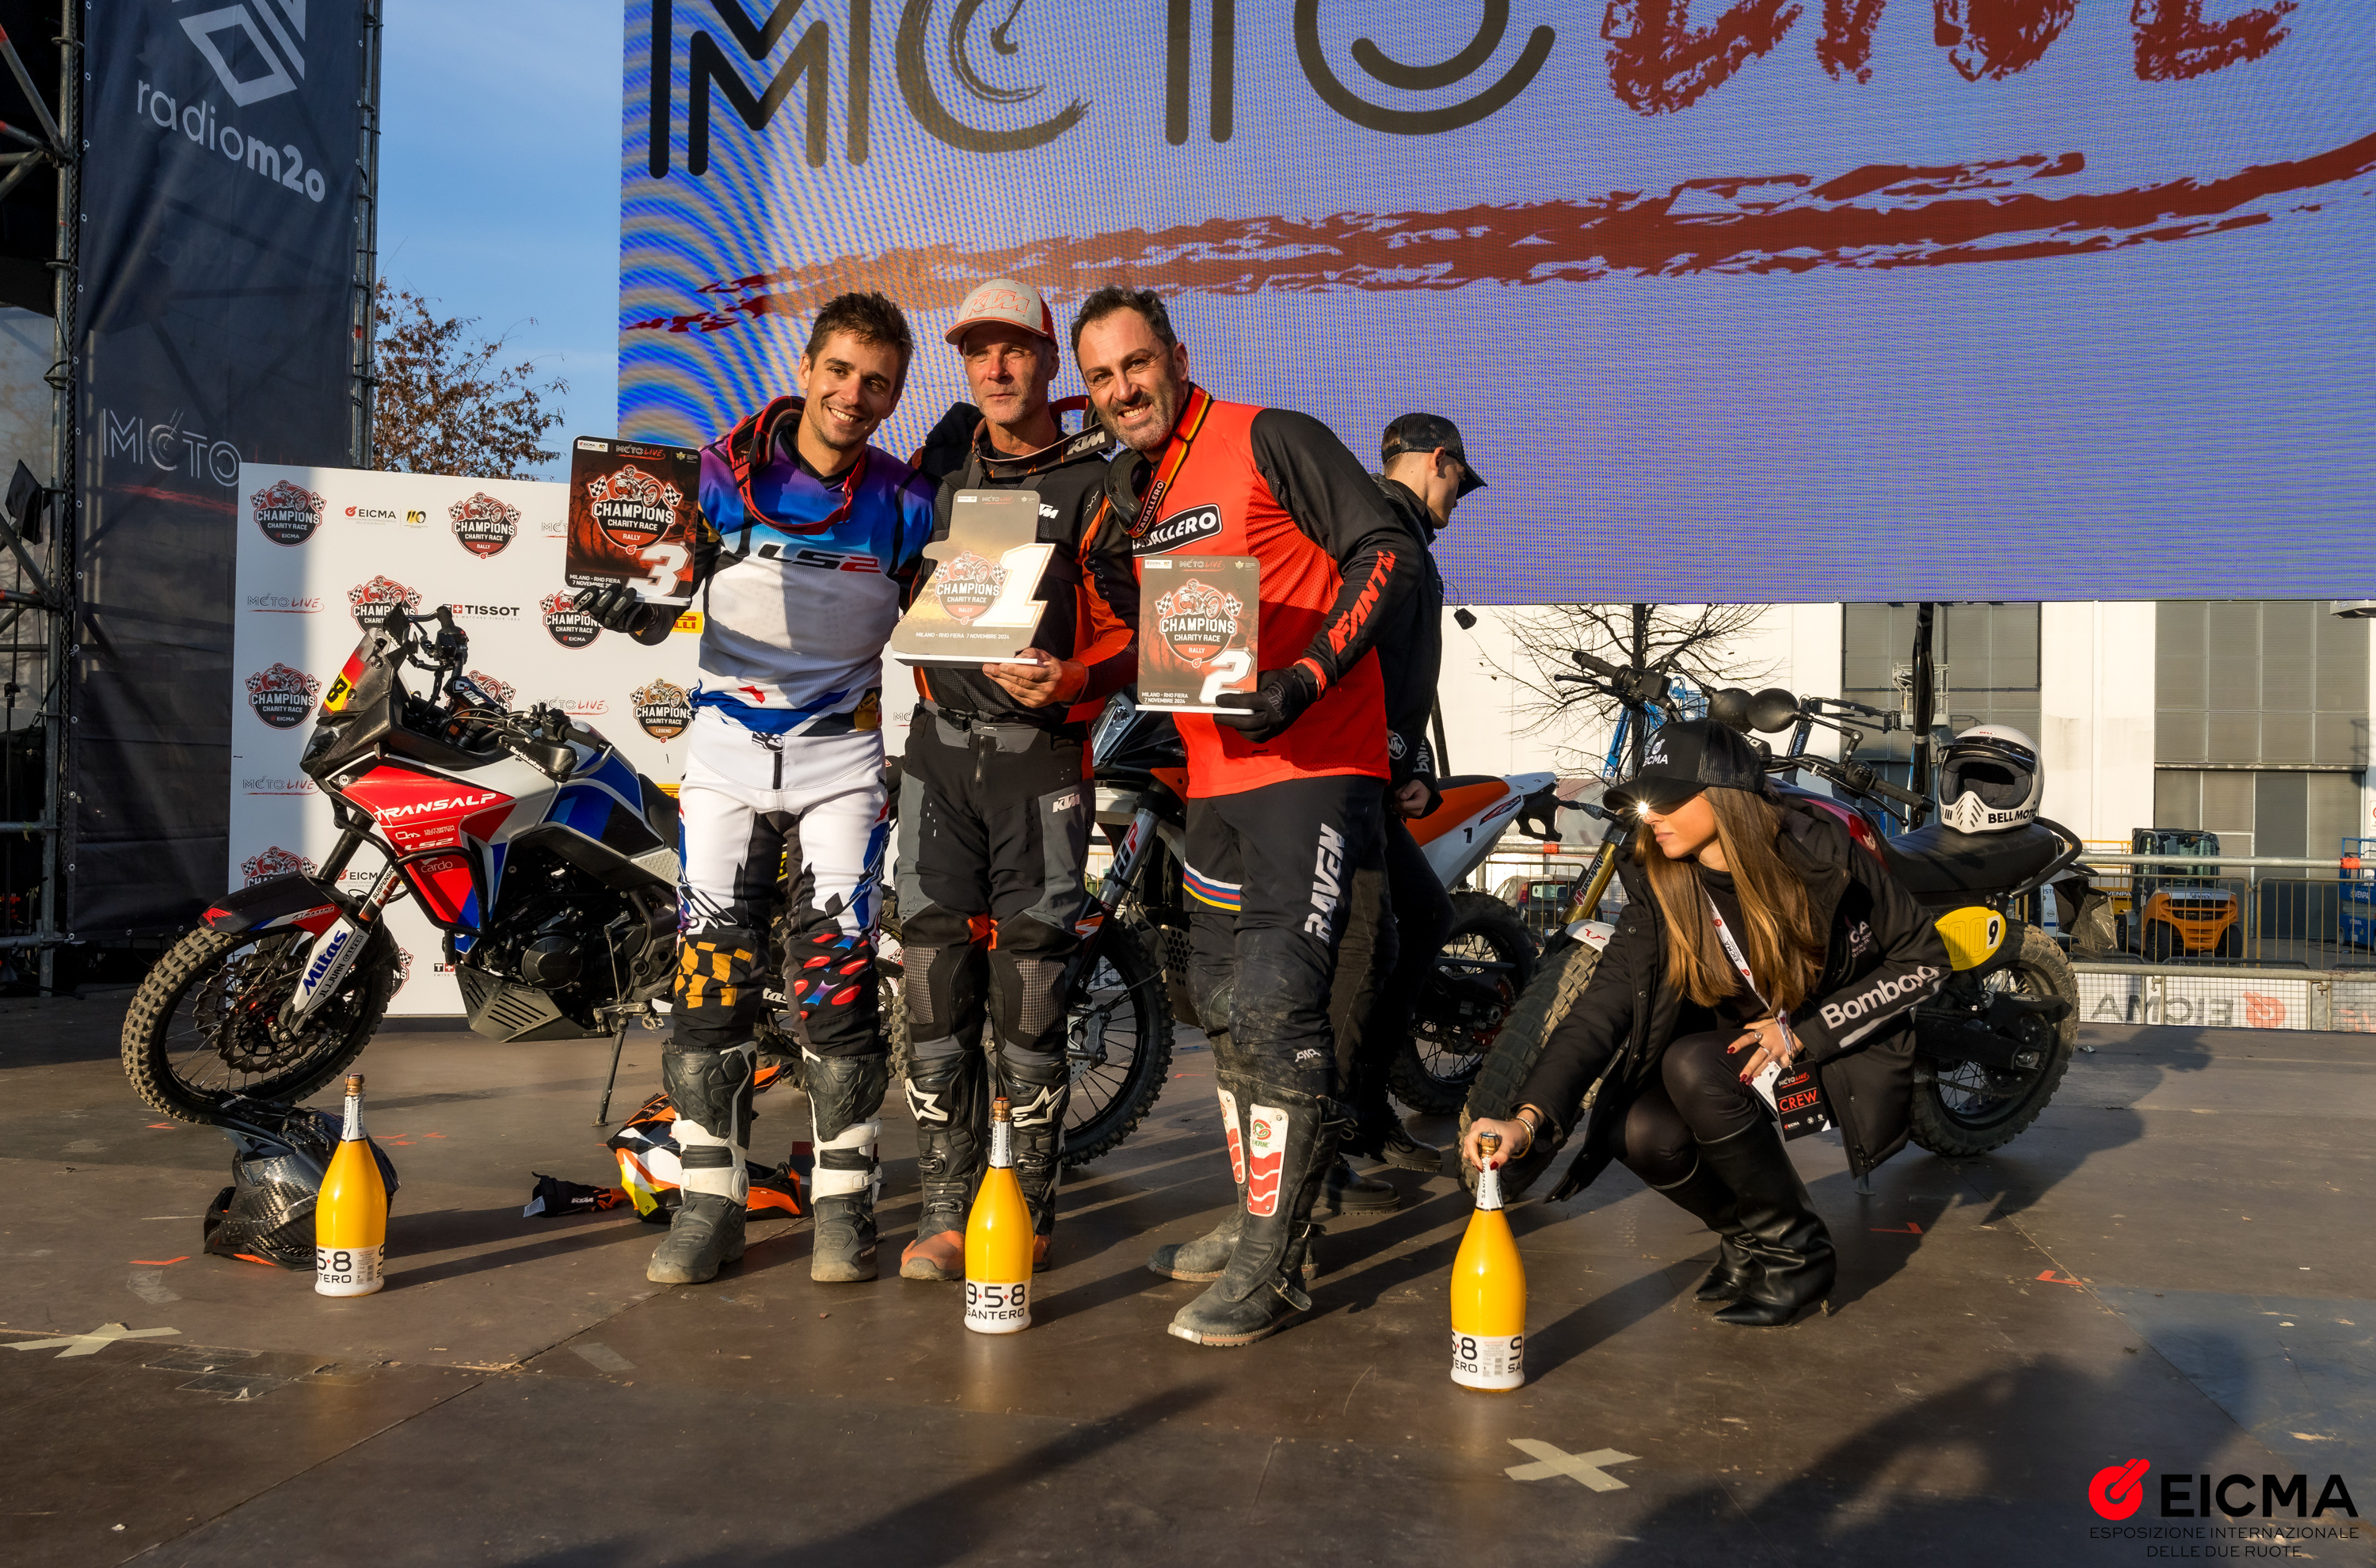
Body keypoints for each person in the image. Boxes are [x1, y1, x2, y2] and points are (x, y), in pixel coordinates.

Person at [1072, 286, 1416, 1346]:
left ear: (1178, 357)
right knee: (1220, 1001)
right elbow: (1154, 628)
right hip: (1212, 779)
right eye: (1101, 377)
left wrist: (1306, 677)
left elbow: (1386, 553)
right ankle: (1255, 1215)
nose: (1123, 389)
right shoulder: (1134, 491)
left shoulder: (1271, 436)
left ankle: (1281, 1263)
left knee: (1275, 1004)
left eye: (1137, 364)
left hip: (1313, 764)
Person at [577, 292, 937, 1288]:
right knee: (709, 991)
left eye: (877, 383)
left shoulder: (908, 501)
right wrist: (629, 603)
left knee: (837, 991)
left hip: (839, 765)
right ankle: (710, 1207)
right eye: (840, 371)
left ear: (894, 397)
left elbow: (953, 620)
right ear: (807, 368)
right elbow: (656, 609)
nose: (853, 395)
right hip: (727, 762)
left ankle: (844, 1209)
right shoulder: (717, 476)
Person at [1462, 719, 1949, 1327]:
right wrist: (1527, 1118)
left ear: (1724, 797)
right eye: (1644, 801)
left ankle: (1799, 1252)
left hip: (1839, 1046)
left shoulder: (1822, 852)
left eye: (1667, 799)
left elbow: (1925, 962)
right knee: (1632, 1128)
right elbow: (1599, 1009)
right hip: (1747, 1054)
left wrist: (1804, 1033)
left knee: (1692, 1064)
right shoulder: (1661, 881)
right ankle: (1748, 1240)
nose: (1651, 816)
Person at [895, 279, 1139, 1283]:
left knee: (1031, 985)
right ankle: (945, 1206)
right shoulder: (941, 471)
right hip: (936, 751)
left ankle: (1024, 1205)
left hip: (1039, 758)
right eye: (977, 352)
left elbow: (1144, 630)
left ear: (1048, 359)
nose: (995, 369)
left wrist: (1078, 677)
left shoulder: (1100, 482)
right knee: (929, 979)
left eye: (1015, 350)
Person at [1325, 413, 1488, 1202]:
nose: (1459, 498)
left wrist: (1412, 762)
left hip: (1374, 771)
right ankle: (1325, 1133)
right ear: (1438, 461)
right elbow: (1353, 653)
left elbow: (1399, 678)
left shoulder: (1398, 534)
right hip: (1346, 775)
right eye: (1459, 480)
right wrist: (1388, 759)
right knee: (1366, 947)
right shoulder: (1382, 532)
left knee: (1422, 921)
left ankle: (1362, 1110)